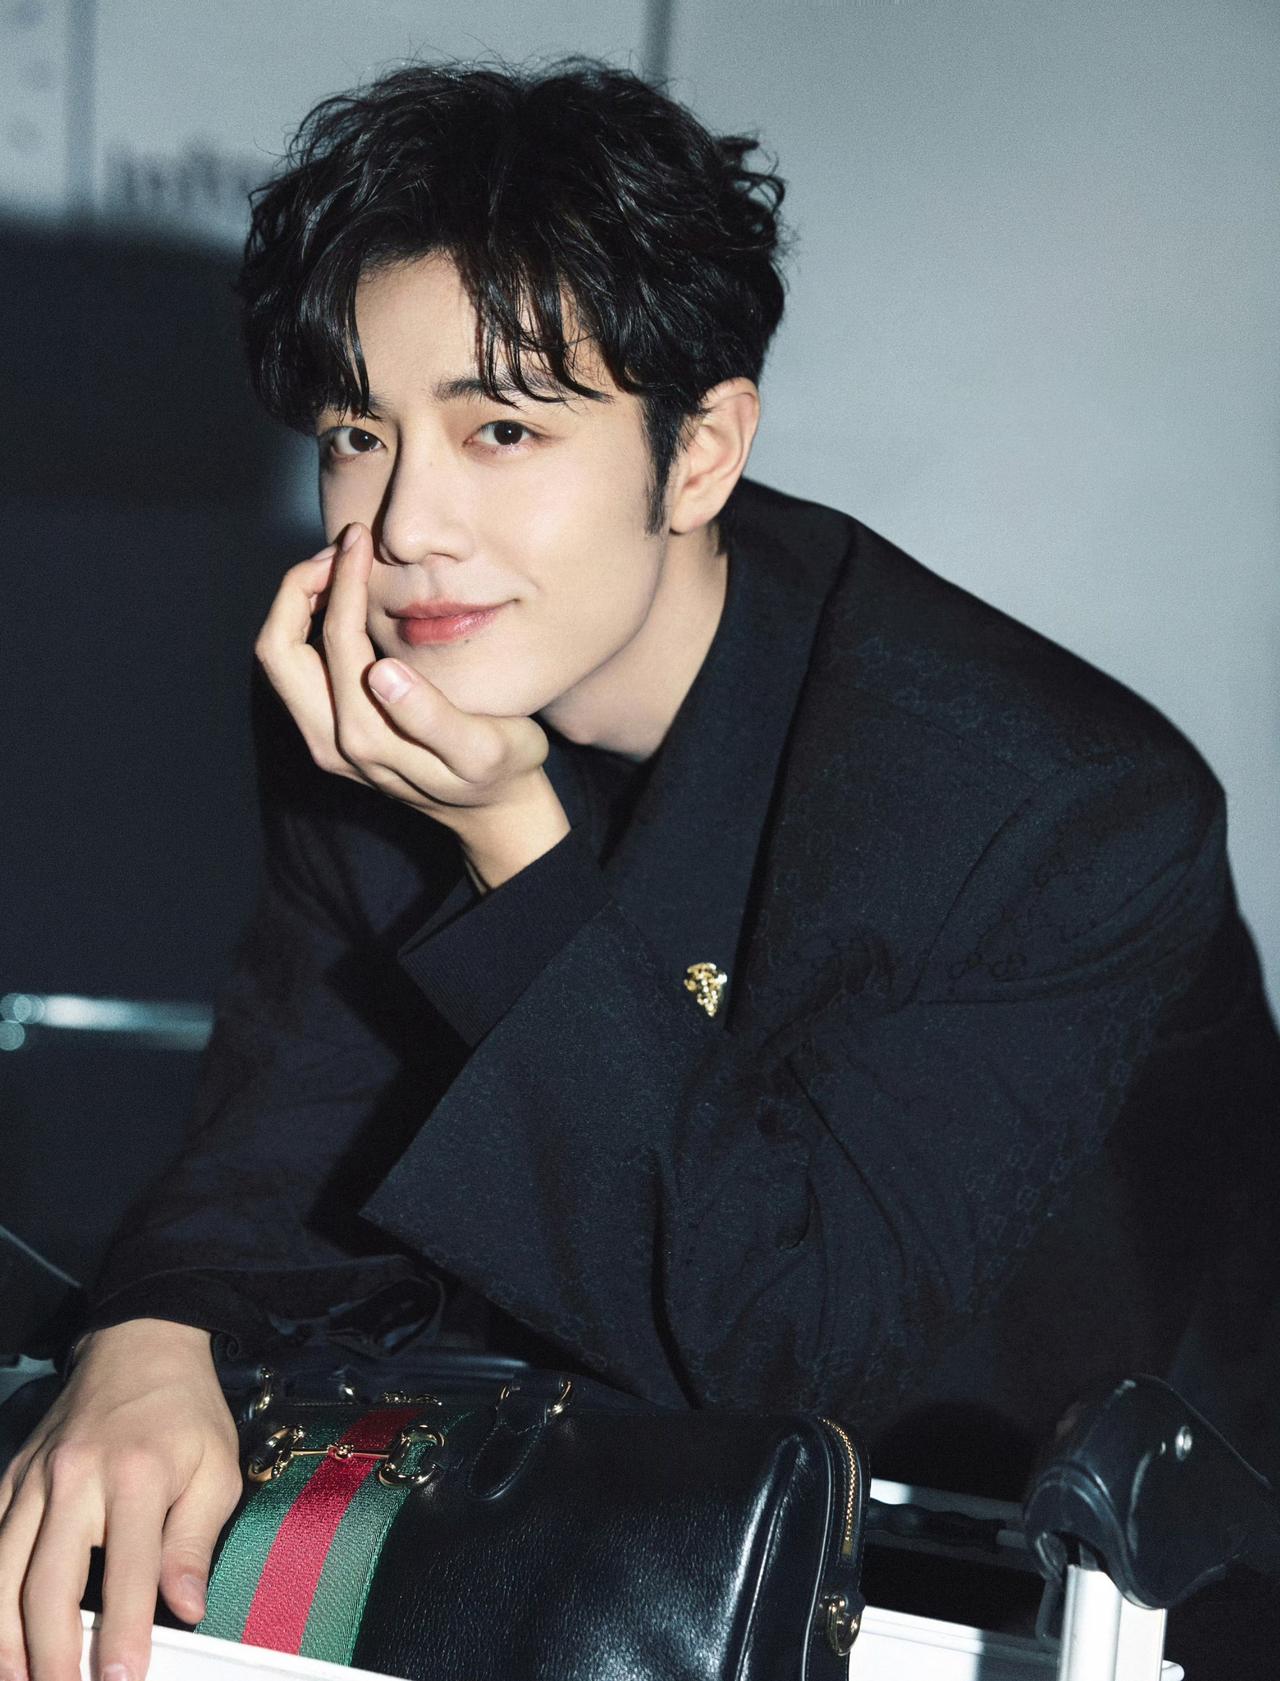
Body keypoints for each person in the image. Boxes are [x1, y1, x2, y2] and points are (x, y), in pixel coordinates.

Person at [2, 54, 1278, 1681]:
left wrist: (514, 852)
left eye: (502, 427)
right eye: (357, 434)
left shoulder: (1051, 810)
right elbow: (293, 1125)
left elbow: (789, 1347)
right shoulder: (383, 679)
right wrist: (150, 1332)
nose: (405, 527)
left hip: (1060, 1578)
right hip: (616, 1539)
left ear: (701, 453)